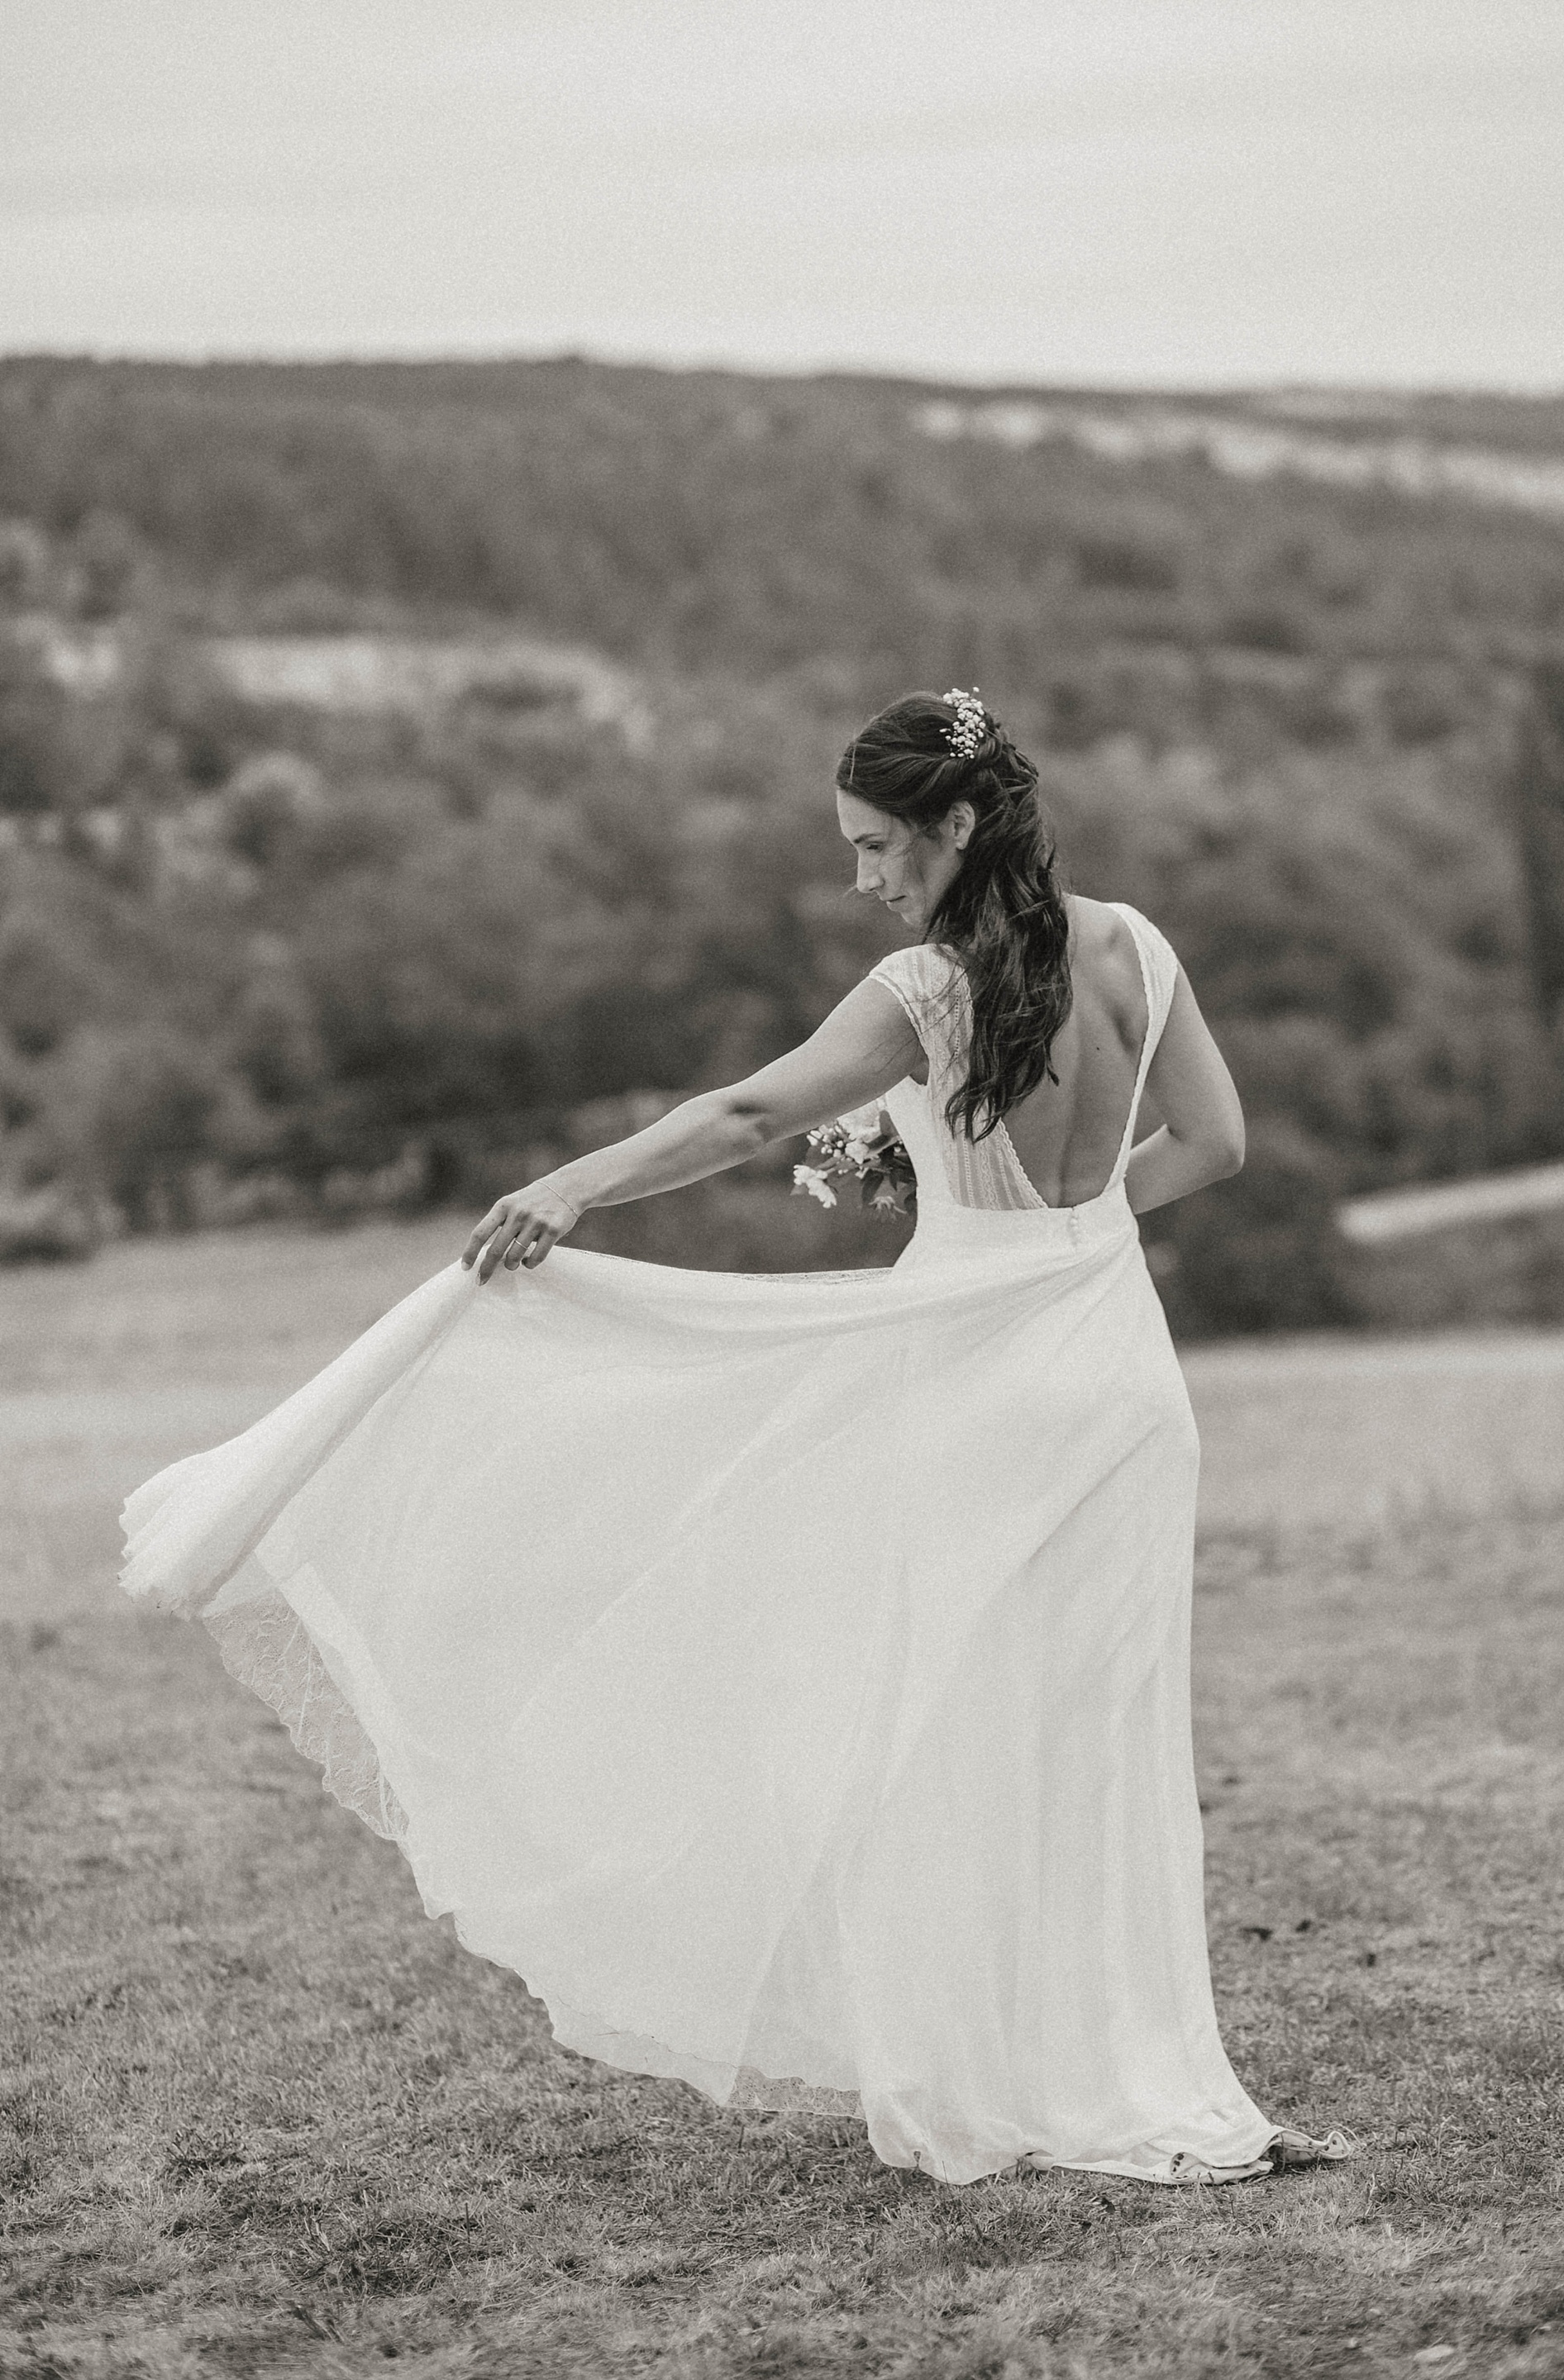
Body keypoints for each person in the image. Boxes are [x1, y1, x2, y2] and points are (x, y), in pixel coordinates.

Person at [122, 689, 1347, 2187]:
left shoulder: (926, 989)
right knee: (1100, 1744)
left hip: (974, 1386)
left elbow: (748, 1113)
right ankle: (1137, 2073)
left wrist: (573, 1187)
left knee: (931, 1731)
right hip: (1122, 1382)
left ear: (958, 825)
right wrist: (1070, 1237)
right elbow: (1217, 1146)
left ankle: (982, 2071)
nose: (862, 878)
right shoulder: (1138, 946)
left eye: (877, 845)